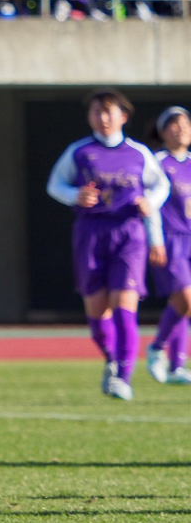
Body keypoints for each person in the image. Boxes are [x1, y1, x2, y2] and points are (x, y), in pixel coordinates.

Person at [46, 89, 170, 401]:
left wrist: (149, 203)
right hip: (90, 232)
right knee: (97, 314)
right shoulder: (79, 151)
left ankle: (123, 378)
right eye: (97, 112)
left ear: (123, 116)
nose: (103, 118)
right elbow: (55, 185)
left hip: (129, 234)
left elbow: (161, 185)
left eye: (109, 112)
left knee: (124, 307)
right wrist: (75, 195)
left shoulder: (138, 153)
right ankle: (112, 360)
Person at [147, 106, 191, 385]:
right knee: (185, 300)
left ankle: (176, 366)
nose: (181, 128)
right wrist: (155, 241)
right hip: (170, 238)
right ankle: (156, 347)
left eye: (185, 123)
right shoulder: (157, 162)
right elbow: (150, 204)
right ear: (163, 132)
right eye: (174, 124)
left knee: (185, 305)